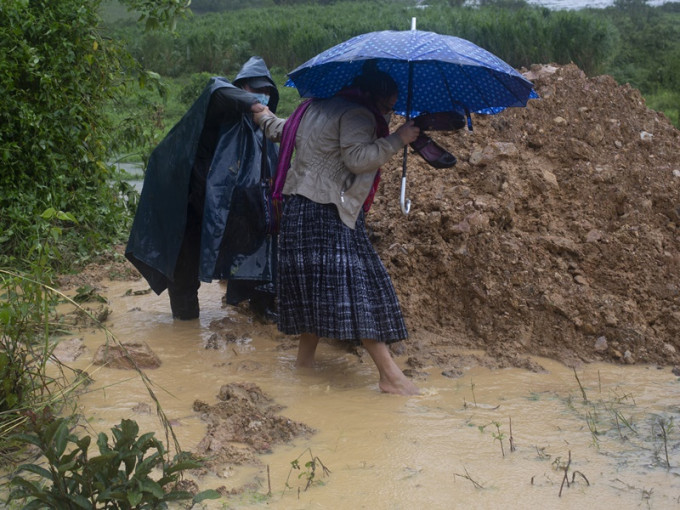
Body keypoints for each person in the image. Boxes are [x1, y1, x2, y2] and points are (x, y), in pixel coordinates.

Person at [254, 66, 421, 395]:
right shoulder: (358, 113)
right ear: (374, 95)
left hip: (298, 209)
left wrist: (261, 112)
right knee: (357, 292)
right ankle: (390, 376)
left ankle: (304, 366)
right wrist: (398, 139)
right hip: (329, 211)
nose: (388, 112)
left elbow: (280, 131)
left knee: (313, 291)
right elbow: (358, 159)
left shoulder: (312, 107)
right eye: (388, 106)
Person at [125, 56, 279, 321]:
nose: (262, 96)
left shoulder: (262, 133)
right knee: (184, 275)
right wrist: (255, 105)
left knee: (255, 256)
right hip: (189, 207)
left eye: (267, 92)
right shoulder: (219, 110)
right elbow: (215, 88)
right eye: (255, 90)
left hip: (227, 213)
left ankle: (255, 308)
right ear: (240, 89)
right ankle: (185, 330)